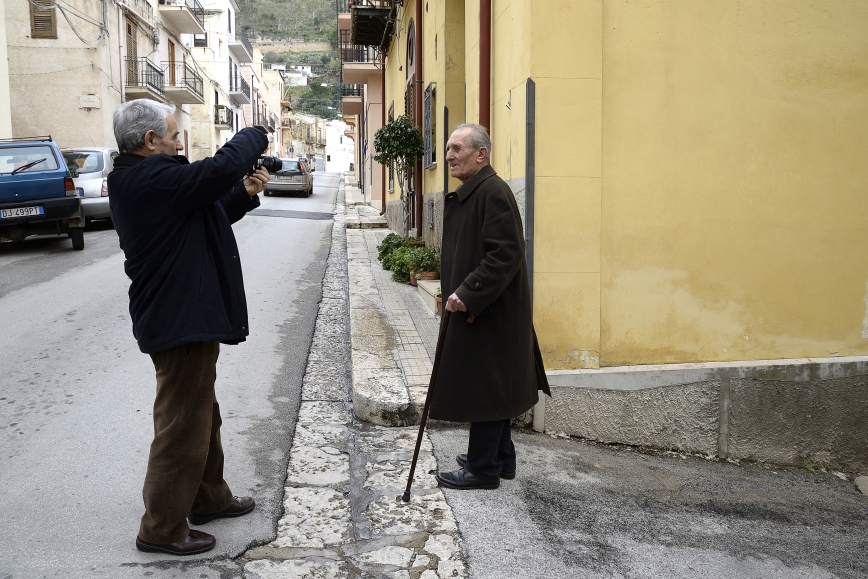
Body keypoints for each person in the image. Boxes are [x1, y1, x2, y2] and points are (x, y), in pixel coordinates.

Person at [108, 99, 271, 555]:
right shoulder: (146, 177)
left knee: (202, 415)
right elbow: (216, 172)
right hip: (178, 318)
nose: (181, 144)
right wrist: (255, 133)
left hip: (185, 315)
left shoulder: (153, 181)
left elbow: (209, 211)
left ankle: (209, 498)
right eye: (176, 136)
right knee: (182, 426)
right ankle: (160, 528)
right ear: (150, 141)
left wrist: (245, 193)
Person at [431, 123, 551, 490]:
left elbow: (506, 253)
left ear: (480, 154)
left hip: (490, 311)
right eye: (448, 149)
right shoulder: (477, 190)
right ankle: (501, 458)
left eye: (456, 148)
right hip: (487, 310)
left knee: (486, 385)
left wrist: (468, 292)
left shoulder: (492, 192)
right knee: (494, 385)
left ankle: (483, 469)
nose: (449, 155)